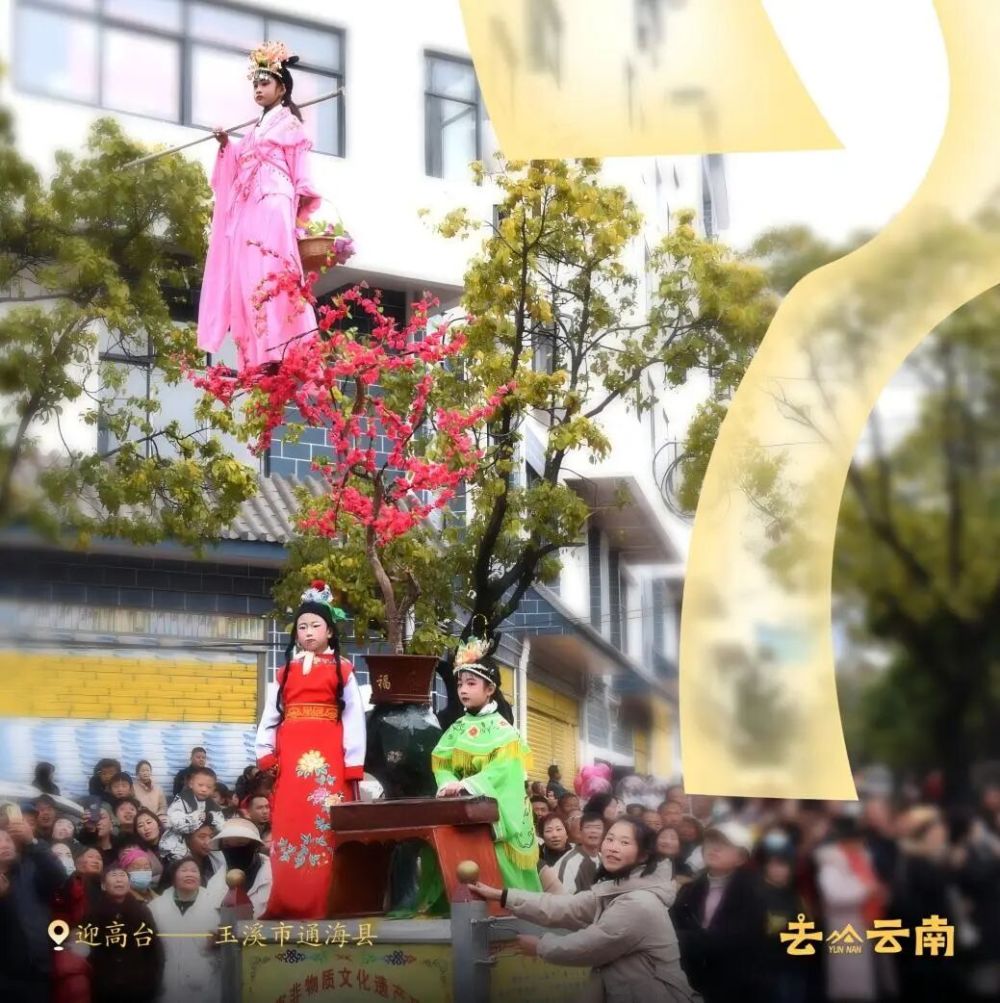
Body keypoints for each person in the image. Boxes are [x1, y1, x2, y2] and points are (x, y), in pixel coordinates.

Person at [471, 818, 697, 1002]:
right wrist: (503, 896)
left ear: (643, 854)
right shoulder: (617, 889)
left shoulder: (638, 902)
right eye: (610, 839)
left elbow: (591, 945)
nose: (613, 847)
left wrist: (540, 946)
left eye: (625, 842)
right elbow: (566, 907)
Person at [197, 40, 321, 371]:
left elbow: (301, 172)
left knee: (273, 273)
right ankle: (259, 352)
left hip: (275, 201)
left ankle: (283, 344)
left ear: (282, 88)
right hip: (249, 206)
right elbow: (235, 164)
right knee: (248, 277)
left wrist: (301, 215)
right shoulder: (252, 133)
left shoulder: (290, 124)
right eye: (255, 84)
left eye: (264, 83)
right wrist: (226, 144)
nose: (258, 89)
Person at [255, 580, 366, 918]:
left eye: (315, 626)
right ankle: (287, 900)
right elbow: (270, 716)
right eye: (302, 627)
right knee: (289, 823)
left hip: (329, 761)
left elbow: (354, 718)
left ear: (329, 631)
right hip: (291, 762)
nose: (307, 632)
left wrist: (353, 765)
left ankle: (324, 902)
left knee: (324, 825)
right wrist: (265, 753)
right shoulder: (284, 673)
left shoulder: (343, 669)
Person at [432, 636, 541, 892]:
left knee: (501, 871)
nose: (463, 690)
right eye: (460, 684)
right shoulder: (457, 727)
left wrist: (467, 785)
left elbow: (504, 771)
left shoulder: (504, 730)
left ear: (489, 689)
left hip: (494, 814)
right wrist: (448, 783)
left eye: (471, 683)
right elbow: (442, 763)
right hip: (461, 809)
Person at [671, 820, 768, 1003]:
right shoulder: (689, 890)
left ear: (741, 858)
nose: (714, 848)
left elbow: (732, 939)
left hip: (737, 987)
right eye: (711, 841)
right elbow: (674, 925)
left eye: (724, 844)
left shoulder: (754, 893)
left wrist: (678, 938)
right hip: (693, 984)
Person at [815, 814, 883, 1002]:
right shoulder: (832, 860)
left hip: (863, 922)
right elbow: (834, 894)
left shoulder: (862, 858)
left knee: (862, 981)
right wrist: (866, 890)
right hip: (843, 924)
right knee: (847, 982)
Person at [0, 816, 67, 1003]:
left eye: (8, 839)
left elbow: (58, 876)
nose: (4, 844)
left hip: (36, 971)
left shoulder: (29, 869)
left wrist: (32, 843)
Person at [84, 865, 163, 1003]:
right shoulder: (93, 914)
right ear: (103, 885)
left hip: (138, 988)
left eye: (122, 876)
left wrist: (152, 983)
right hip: (105, 989)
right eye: (114, 876)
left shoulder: (141, 911)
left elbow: (154, 950)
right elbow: (90, 951)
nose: (119, 880)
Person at [150, 857, 221, 1003]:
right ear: (173, 877)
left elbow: (228, 939)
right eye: (184, 870)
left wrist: (218, 941)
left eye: (194, 871)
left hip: (206, 983)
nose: (190, 874)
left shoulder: (216, 904)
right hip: (167, 984)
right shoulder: (156, 907)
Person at [206, 817, 272, 918]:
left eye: (241, 844)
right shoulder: (215, 883)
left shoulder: (275, 877)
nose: (234, 851)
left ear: (255, 846)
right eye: (227, 845)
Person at [161, 768, 225, 861]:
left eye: (208, 787)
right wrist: (197, 818)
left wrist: (210, 818)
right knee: (181, 859)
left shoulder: (212, 804)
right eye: (200, 785)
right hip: (176, 842)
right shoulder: (182, 799)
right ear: (191, 784)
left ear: (213, 789)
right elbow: (174, 820)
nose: (204, 789)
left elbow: (221, 824)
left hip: (200, 843)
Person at [555, 811, 605, 893]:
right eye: (588, 827)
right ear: (580, 831)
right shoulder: (569, 862)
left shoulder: (604, 859)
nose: (593, 831)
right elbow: (562, 898)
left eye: (598, 828)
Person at [131, 809, 166, 888]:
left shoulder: (174, 841)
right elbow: (138, 881)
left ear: (158, 824)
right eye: (140, 826)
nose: (146, 828)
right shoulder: (138, 852)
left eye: (149, 822)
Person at [185, 821, 223, 887]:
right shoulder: (179, 863)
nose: (208, 842)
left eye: (211, 837)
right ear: (188, 839)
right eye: (202, 837)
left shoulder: (218, 859)